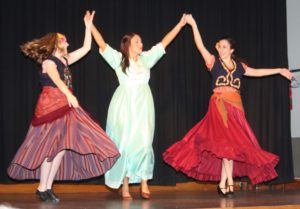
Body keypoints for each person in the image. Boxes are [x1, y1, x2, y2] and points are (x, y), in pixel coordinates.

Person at [163, 14, 293, 197]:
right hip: (219, 106)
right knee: (226, 144)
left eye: (224, 47)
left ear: (231, 50)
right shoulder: (213, 62)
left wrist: (280, 70)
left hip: (236, 109)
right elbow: (200, 45)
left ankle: (223, 183)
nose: (221, 49)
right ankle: (229, 182)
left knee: (230, 146)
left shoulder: (240, 66)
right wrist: (193, 24)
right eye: (219, 46)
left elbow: (257, 72)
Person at [7, 11, 120, 203]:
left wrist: (87, 26)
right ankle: (42, 187)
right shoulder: (49, 62)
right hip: (51, 107)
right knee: (50, 148)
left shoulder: (64, 60)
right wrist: (69, 94)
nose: (67, 43)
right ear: (55, 44)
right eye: (64, 41)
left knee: (60, 148)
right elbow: (57, 80)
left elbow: (86, 48)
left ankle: (48, 187)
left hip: (64, 105)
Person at [90, 13, 187, 199]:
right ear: (128, 45)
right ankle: (125, 186)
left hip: (143, 107)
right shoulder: (119, 60)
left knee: (143, 144)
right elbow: (102, 45)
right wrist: (91, 25)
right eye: (137, 42)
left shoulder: (146, 59)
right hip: (124, 107)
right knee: (125, 145)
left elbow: (163, 43)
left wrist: (180, 25)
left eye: (141, 41)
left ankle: (144, 182)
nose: (141, 44)